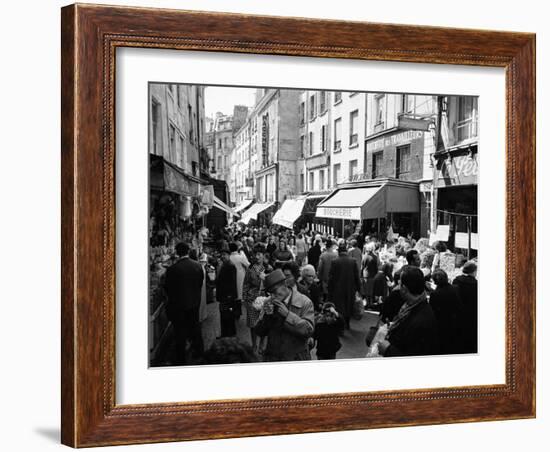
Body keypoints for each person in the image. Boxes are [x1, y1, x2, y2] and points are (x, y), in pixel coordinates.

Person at [254, 269, 315, 361]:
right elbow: (259, 331)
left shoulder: (305, 302)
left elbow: (308, 331)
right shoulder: (269, 302)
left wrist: (287, 315)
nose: (273, 296)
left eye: (274, 291)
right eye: (270, 293)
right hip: (273, 358)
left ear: (285, 284)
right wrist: (267, 317)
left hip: (296, 358)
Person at [377, 266, 438, 357]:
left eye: (399, 283)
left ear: (404, 289)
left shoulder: (422, 320)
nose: (398, 286)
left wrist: (387, 350)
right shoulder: (411, 305)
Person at [164, 242, 205, 364]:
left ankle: (180, 358)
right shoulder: (198, 266)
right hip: (194, 303)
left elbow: (168, 288)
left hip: (179, 306)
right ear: (188, 251)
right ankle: (199, 351)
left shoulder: (172, 269)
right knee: (195, 327)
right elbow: (199, 283)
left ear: (177, 252)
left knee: (180, 332)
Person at [328, 241, 361, 329]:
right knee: (348, 306)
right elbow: (356, 276)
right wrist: (359, 289)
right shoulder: (353, 261)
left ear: (339, 252)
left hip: (338, 289)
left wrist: (330, 290)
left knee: (339, 307)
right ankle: (347, 323)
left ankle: (340, 325)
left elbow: (331, 277)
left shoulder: (334, 261)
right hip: (350, 288)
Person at [430, 269, 464, 354]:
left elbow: (432, 311)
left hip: (442, 324)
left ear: (435, 281)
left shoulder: (435, 294)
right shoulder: (456, 288)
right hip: (455, 321)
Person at [242, 243, 267, 352]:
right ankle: (254, 345)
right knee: (253, 325)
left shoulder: (268, 268)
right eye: (255, 254)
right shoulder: (250, 269)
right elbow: (245, 284)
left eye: (259, 254)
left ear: (263, 255)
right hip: (252, 299)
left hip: (265, 299)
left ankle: (262, 345)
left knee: (264, 323)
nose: (257, 257)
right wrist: (245, 299)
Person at [452, 260, 478, 353]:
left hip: (459, 311)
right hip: (472, 312)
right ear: (474, 271)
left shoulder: (456, 280)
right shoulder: (476, 284)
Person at [216, 247, 239, 337]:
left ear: (229, 255)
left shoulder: (230, 265)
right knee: (224, 316)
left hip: (227, 296)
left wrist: (230, 296)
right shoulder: (224, 264)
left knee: (228, 316)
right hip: (224, 296)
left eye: (225, 255)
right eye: (222, 255)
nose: (223, 256)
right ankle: (226, 334)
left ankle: (228, 335)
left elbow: (232, 283)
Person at [229, 242, 250, 319]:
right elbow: (248, 264)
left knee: (233, 295)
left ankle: (233, 311)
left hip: (231, 278)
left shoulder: (229, 257)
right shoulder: (240, 256)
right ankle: (238, 312)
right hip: (240, 277)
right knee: (239, 295)